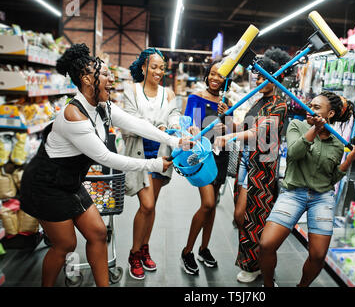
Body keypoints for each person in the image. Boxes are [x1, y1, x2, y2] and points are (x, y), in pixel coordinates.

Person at [19, 43, 192, 287]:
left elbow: (136, 124)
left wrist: (174, 140)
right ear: (87, 79)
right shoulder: (73, 115)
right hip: (45, 185)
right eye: (105, 74)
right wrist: (153, 164)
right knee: (65, 244)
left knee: (98, 233)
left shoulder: (102, 107)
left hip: (69, 181)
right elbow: (106, 157)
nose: (111, 79)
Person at [258, 91, 355, 287]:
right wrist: (314, 129)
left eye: (316, 107)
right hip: (293, 193)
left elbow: (331, 179)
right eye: (309, 105)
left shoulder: (337, 142)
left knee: (318, 255)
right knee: (266, 244)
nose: (309, 109)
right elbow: (295, 153)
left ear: (330, 114)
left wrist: (347, 162)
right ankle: (269, 285)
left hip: (322, 197)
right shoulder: (297, 125)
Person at [214, 48, 290, 283]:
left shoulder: (280, 104)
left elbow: (257, 132)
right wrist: (227, 117)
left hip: (263, 167)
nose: (258, 79)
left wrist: (230, 135)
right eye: (257, 76)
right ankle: (254, 262)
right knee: (242, 217)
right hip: (246, 161)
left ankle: (259, 263)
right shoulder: (258, 100)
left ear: (276, 77)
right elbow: (241, 127)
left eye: (262, 75)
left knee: (251, 216)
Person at [123, 47, 181, 280]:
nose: (159, 71)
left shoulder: (168, 94)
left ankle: (144, 248)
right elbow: (129, 122)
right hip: (139, 156)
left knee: (152, 205)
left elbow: (174, 117)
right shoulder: (132, 90)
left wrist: (176, 126)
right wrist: (159, 127)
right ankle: (134, 253)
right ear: (144, 67)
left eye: (162, 68)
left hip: (160, 155)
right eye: (154, 67)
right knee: (146, 205)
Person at [179, 60, 232, 275]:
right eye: (212, 74)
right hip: (203, 156)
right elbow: (187, 126)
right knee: (208, 203)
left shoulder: (226, 102)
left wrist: (227, 117)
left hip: (221, 156)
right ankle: (187, 251)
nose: (214, 78)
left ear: (226, 79)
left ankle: (204, 248)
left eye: (220, 75)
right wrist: (198, 129)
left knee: (211, 207)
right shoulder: (195, 98)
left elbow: (230, 131)